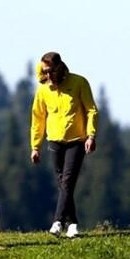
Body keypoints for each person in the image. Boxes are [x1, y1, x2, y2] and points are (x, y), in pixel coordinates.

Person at [29, 51, 98, 238]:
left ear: (60, 67)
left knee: (67, 181)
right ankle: (73, 224)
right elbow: (38, 119)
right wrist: (35, 146)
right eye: (45, 71)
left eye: (51, 71)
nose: (48, 75)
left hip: (77, 140)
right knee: (62, 184)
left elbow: (91, 110)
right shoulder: (43, 89)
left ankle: (57, 222)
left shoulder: (79, 83)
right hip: (54, 140)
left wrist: (91, 135)